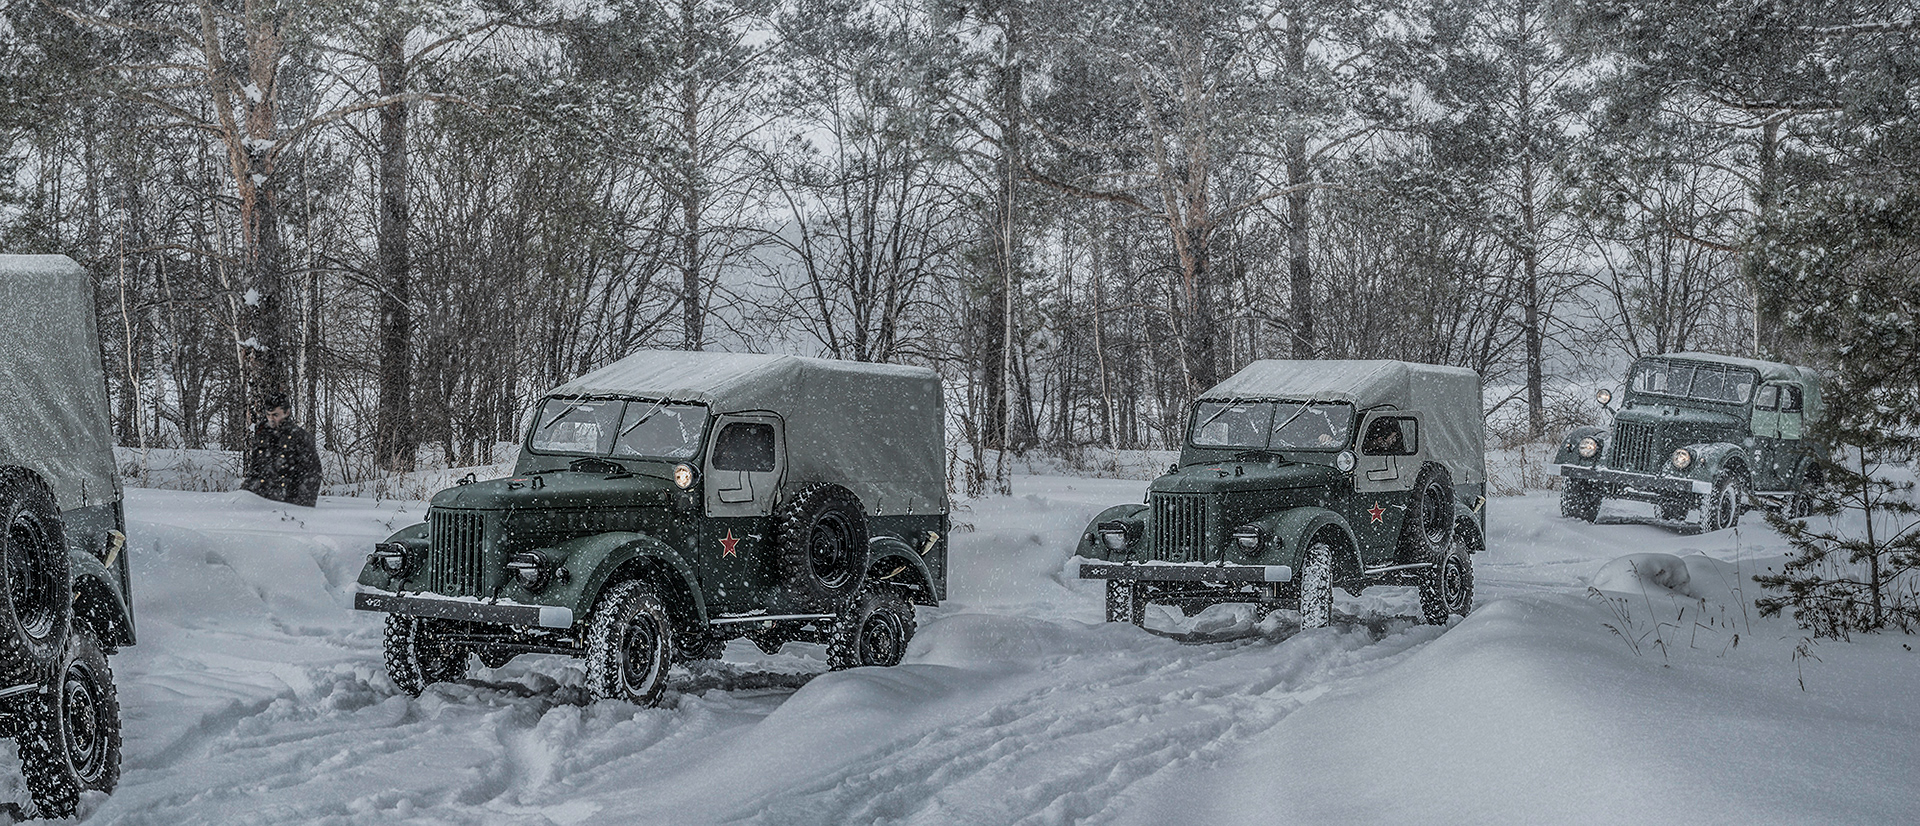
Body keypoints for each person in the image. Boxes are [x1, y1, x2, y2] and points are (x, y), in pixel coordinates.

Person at [242, 395, 323, 507]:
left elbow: (312, 474)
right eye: (268, 415)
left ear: (287, 413)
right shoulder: (262, 436)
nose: (271, 419)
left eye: (275, 415)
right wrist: (246, 494)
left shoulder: (300, 438)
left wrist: (303, 505)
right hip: (261, 502)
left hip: (290, 502)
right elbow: (255, 470)